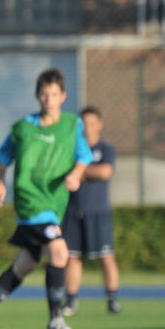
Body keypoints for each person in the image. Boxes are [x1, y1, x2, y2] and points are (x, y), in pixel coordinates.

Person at [0, 67, 93, 329]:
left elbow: (83, 156)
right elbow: (3, 155)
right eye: (44, 94)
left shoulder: (72, 125)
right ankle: (56, 323)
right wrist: (0, 184)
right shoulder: (23, 128)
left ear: (63, 96)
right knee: (59, 250)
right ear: (37, 96)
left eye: (54, 94)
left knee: (26, 264)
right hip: (31, 201)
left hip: (54, 203)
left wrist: (76, 173)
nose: (48, 99)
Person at [61, 106, 121, 316]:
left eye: (92, 123)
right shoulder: (71, 149)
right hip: (73, 211)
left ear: (99, 125)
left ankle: (112, 299)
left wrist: (80, 170)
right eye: (83, 124)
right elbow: (65, 173)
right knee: (72, 257)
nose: (88, 127)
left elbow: (105, 171)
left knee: (106, 256)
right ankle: (71, 301)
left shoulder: (105, 149)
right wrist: (82, 172)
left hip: (99, 212)